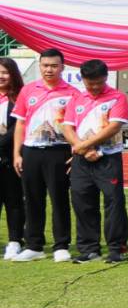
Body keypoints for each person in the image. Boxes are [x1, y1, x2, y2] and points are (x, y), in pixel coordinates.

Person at [10, 48, 78, 262]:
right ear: (40, 66)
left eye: (54, 66)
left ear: (62, 67)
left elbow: (77, 126)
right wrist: (17, 154)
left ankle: (61, 245)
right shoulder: (28, 90)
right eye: (45, 65)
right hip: (31, 151)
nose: (49, 70)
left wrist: (75, 152)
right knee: (32, 199)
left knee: (59, 199)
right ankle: (34, 245)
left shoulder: (72, 93)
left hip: (59, 152)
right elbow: (20, 124)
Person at [60, 59, 128, 263]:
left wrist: (84, 146)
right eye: (90, 83)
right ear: (83, 80)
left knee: (114, 202)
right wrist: (81, 149)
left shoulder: (117, 97)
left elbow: (114, 127)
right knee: (82, 202)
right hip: (82, 161)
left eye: (99, 83)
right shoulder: (77, 99)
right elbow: (67, 127)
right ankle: (89, 248)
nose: (95, 87)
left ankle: (117, 247)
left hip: (108, 159)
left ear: (105, 78)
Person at [0, 58, 24, 261]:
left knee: (14, 201)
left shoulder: (19, 98)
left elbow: (18, 128)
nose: (1, 76)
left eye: (5, 72)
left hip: (10, 159)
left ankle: (15, 241)